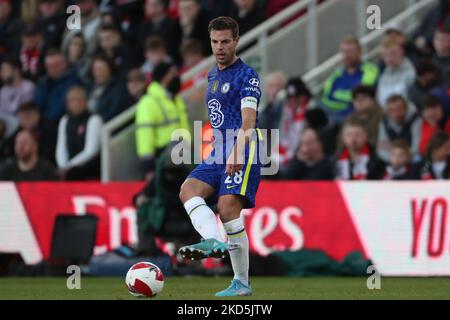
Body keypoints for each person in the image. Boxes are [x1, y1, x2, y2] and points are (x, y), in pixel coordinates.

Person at [178, 16, 262, 297]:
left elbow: (248, 122)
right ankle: (212, 241)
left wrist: (237, 149)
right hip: (217, 151)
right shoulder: (212, 76)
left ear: (236, 41)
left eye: (225, 41)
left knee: (228, 209)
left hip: (243, 148)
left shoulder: (247, 76)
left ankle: (241, 283)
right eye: (215, 42)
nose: (220, 47)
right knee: (188, 190)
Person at [135, 62, 190, 179]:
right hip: (162, 161)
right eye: (173, 74)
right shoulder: (148, 102)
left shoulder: (175, 98)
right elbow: (144, 135)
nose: (177, 77)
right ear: (163, 77)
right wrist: (148, 168)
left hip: (181, 157)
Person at [319, 36, 379, 124]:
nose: (346, 55)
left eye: (350, 51)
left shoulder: (370, 70)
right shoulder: (337, 74)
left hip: (361, 119)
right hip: (335, 118)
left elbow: (362, 94)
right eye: (344, 52)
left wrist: (337, 94)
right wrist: (349, 100)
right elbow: (326, 98)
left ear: (359, 52)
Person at [55, 85, 103, 180]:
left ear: (86, 102)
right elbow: (61, 147)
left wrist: (69, 166)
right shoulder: (65, 120)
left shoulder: (94, 120)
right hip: (69, 171)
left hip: (89, 171)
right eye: (72, 100)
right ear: (68, 103)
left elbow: (92, 151)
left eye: (79, 99)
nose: (76, 103)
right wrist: (63, 166)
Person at [33, 49, 81, 122]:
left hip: (63, 121)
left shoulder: (73, 81)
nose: (51, 69)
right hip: (44, 124)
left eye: (55, 65)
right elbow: (37, 105)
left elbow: (62, 106)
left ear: (64, 64)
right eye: (49, 66)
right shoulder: (43, 82)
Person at [276, 77, 311, 171]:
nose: (293, 101)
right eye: (290, 98)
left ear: (304, 97)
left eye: (296, 98)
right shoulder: (285, 112)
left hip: (304, 158)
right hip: (286, 157)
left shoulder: (311, 113)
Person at [376, 94, 421, 163]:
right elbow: (382, 150)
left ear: (406, 108)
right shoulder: (384, 122)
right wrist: (395, 159)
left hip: (412, 159)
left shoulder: (416, 119)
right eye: (392, 110)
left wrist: (403, 158)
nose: (396, 114)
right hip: (392, 161)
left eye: (399, 109)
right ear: (387, 112)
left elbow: (417, 146)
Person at [376, 37, 416, 109]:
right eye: (385, 56)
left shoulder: (412, 72)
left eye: (393, 54)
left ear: (401, 51)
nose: (389, 59)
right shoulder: (383, 76)